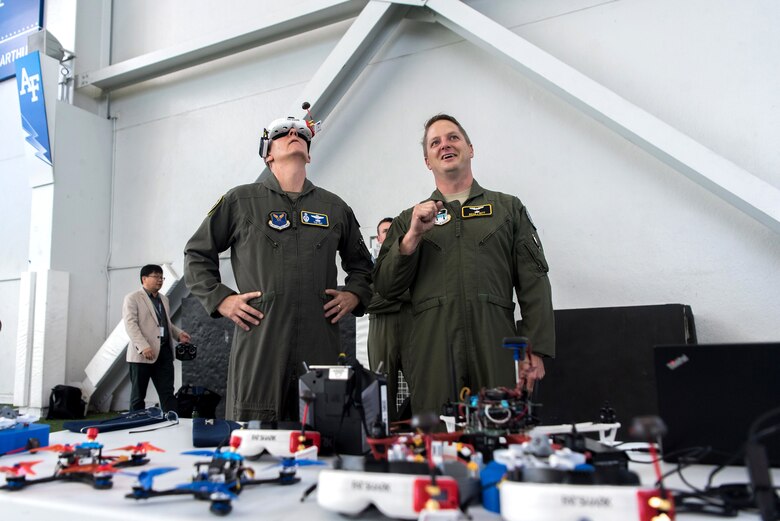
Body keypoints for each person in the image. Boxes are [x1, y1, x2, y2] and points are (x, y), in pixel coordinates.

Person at [183, 114, 373, 422]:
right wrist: (221, 299)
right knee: (255, 433)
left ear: (309, 154)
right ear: (267, 153)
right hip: (261, 343)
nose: (294, 132)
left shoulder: (335, 208)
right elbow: (196, 253)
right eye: (282, 131)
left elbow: (362, 266)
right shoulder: (240, 201)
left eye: (300, 132)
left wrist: (354, 294)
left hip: (320, 342)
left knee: (321, 430)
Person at [374, 114, 555, 415]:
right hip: (432, 353)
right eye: (435, 142)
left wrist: (533, 348)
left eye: (453, 137)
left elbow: (534, 282)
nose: (445, 145)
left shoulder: (507, 209)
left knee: (499, 430)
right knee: (435, 444)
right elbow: (385, 287)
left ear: (471, 148)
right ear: (427, 161)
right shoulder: (409, 220)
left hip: (494, 345)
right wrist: (412, 237)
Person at [123, 264, 191, 412]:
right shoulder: (133, 298)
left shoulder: (163, 299)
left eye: (162, 277)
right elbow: (130, 325)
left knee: (167, 393)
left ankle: (171, 422)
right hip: (142, 355)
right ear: (144, 279)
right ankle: (135, 424)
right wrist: (143, 346)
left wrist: (178, 334)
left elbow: (165, 323)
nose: (160, 280)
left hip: (164, 353)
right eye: (156, 276)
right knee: (138, 396)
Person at [367, 217, 413, 421]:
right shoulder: (368, 267)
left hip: (410, 331)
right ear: (378, 238)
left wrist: (386, 295)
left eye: (393, 230)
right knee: (383, 391)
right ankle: (386, 439)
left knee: (423, 388)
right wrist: (401, 297)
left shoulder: (411, 260)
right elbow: (366, 301)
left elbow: (418, 294)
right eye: (385, 230)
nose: (389, 233)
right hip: (380, 333)